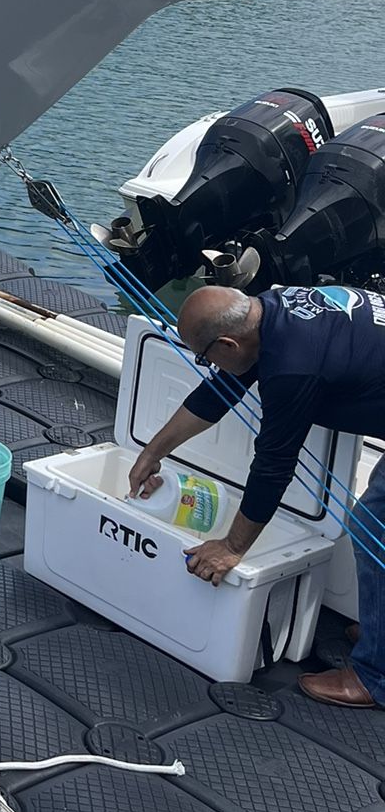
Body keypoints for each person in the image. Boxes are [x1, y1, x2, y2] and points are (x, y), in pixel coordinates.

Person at [129, 283, 385, 710]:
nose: (208, 364)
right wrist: (153, 452)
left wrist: (231, 548)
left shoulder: (293, 366)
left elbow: (274, 465)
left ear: (228, 342)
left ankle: (375, 677)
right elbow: (219, 392)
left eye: (205, 355)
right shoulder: (264, 312)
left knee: (375, 533)